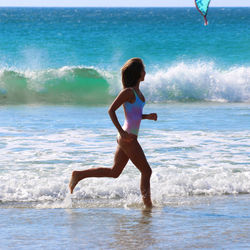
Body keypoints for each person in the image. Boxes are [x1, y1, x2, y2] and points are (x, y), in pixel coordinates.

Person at [69, 58, 157, 208]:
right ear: (137, 73)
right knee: (147, 171)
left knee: (114, 172)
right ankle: (148, 205)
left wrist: (146, 116)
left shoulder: (137, 92)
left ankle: (79, 175)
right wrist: (121, 132)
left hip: (127, 137)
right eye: (143, 69)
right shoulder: (128, 92)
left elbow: (134, 114)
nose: (145, 72)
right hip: (127, 137)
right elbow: (111, 110)